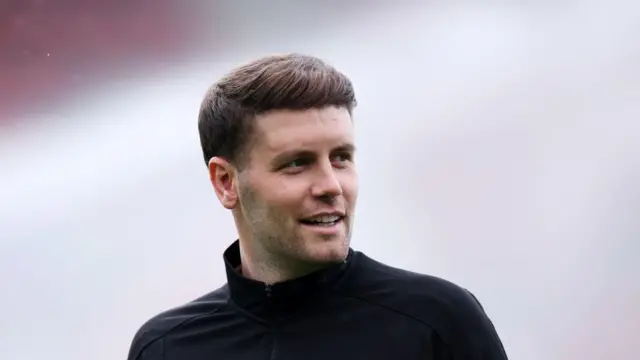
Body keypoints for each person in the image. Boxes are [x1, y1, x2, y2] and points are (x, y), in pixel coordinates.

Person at [126, 53, 509, 360]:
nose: (330, 186)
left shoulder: (438, 322)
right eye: (297, 163)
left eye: (341, 157)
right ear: (226, 182)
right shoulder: (165, 348)